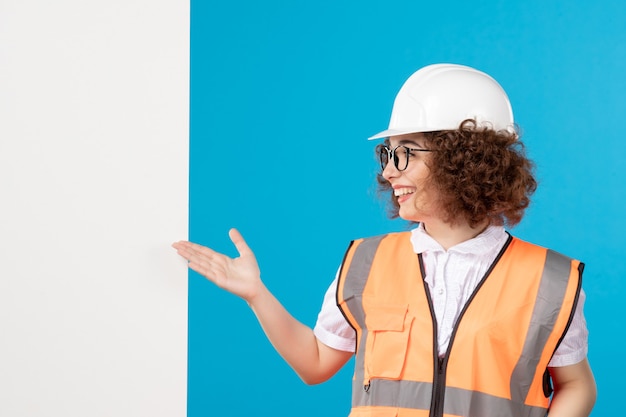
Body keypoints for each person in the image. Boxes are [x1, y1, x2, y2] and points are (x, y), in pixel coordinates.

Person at [173, 63, 596, 417]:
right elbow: (316, 364)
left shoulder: (550, 280)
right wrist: (256, 294)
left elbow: (576, 385)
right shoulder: (366, 261)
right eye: (387, 154)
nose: (388, 172)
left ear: (462, 159)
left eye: (405, 153)